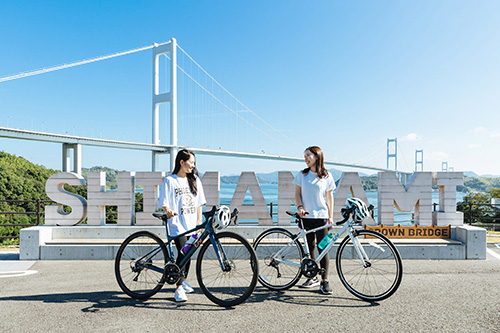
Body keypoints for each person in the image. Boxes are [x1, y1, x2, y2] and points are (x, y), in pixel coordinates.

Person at [157, 149, 206, 302]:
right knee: (184, 252)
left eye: (194, 163)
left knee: (189, 253)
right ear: (181, 162)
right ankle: (178, 288)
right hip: (177, 224)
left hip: (192, 224)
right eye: (191, 162)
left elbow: (199, 203)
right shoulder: (170, 181)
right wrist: (168, 211)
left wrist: (199, 222)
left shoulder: (195, 180)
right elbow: (164, 202)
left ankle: (183, 281)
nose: (193, 165)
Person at [293, 146, 336, 295]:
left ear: (317, 157)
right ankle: (313, 277)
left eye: (308, 156)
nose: (305, 159)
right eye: (304, 156)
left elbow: (329, 197)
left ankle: (325, 281)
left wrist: (331, 217)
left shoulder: (326, 175)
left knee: (323, 248)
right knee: (310, 247)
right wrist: (299, 207)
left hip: (322, 217)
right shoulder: (302, 175)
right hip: (306, 216)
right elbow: (297, 194)